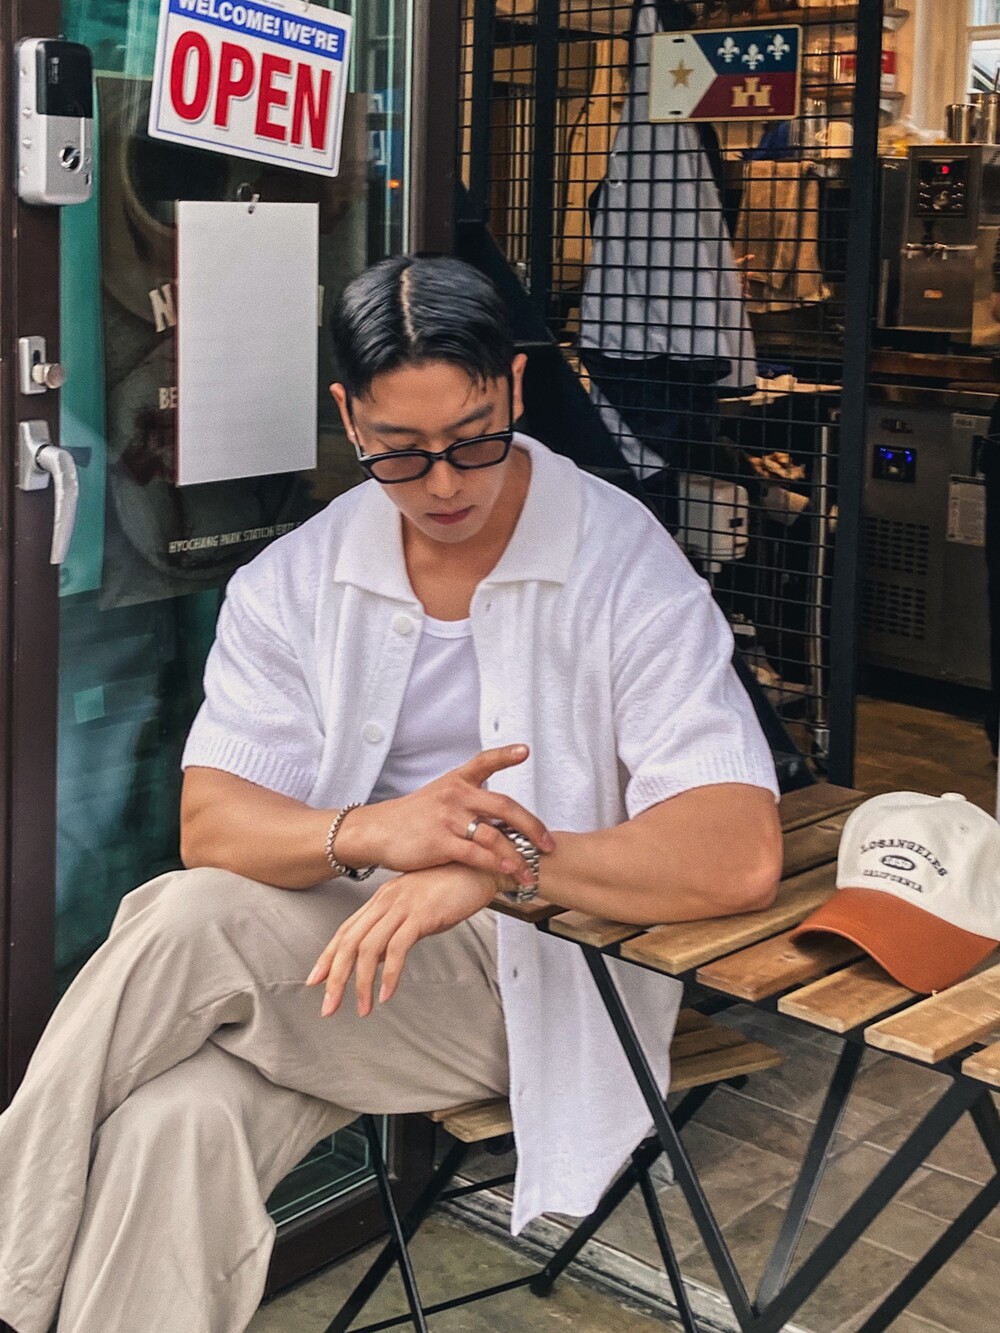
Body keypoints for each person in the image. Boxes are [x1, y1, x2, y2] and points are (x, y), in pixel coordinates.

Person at [0, 255, 782, 1333]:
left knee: (191, 919)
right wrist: (379, 831)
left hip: (542, 982)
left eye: (472, 439)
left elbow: (737, 850)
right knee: (174, 1122)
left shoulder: (619, 563)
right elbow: (213, 825)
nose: (445, 484)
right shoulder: (298, 577)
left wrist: (499, 866)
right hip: (339, 966)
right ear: (347, 417)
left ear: (514, 389)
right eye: (400, 452)